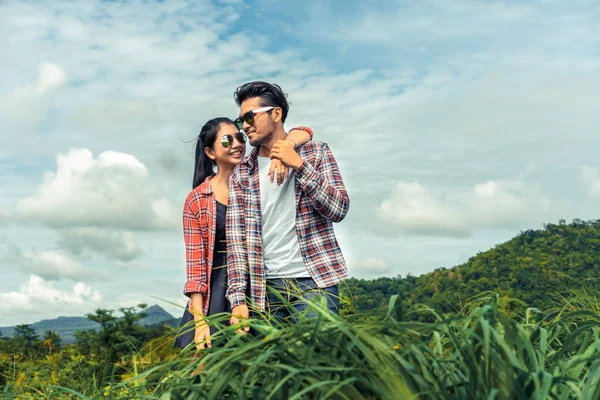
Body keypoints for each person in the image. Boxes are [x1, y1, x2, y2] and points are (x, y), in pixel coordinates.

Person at [175, 117, 313, 350]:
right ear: (210, 152)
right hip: (217, 292)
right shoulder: (197, 200)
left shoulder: (258, 178)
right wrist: (200, 322)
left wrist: (284, 150)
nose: (237, 144)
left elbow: (304, 130)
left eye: (240, 137)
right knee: (209, 371)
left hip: (262, 283)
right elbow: (196, 268)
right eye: (227, 140)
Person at [226, 81, 350, 329]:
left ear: (277, 113)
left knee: (318, 362)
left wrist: (299, 165)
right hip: (264, 288)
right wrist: (238, 298)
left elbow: (338, 209)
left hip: (314, 281)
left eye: (250, 117)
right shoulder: (242, 174)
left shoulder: (316, 153)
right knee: (272, 367)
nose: (245, 126)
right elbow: (236, 241)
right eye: (241, 121)